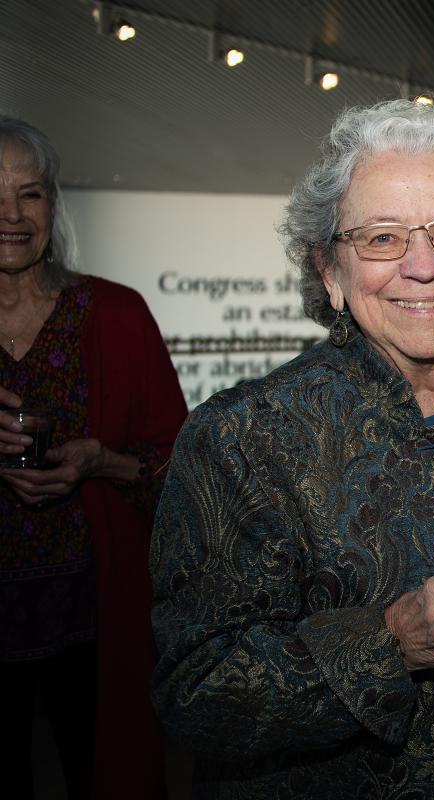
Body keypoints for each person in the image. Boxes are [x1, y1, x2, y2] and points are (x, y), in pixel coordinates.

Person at [150, 100, 434, 798]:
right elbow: (195, 694)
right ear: (329, 272)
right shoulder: (244, 437)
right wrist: (390, 642)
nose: (425, 265)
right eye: (381, 239)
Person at [0, 116, 186, 799]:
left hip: (94, 619)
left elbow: (179, 472)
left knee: (103, 773)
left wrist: (99, 461)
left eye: (29, 193)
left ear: (53, 205)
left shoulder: (116, 314)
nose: (11, 216)